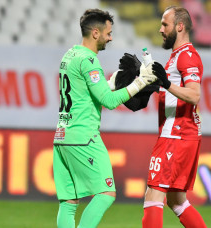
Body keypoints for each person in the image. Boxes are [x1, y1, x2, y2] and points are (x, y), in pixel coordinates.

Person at [52, 9, 156, 228]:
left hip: (62, 137)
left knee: (69, 202)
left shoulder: (70, 55)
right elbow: (109, 102)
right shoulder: (89, 60)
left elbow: (83, 94)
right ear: (96, 33)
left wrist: (108, 83)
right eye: (108, 33)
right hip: (83, 137)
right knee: (106, 192)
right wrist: (141, 82)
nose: (111, 38)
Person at [142, 6, 207, 228]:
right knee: (177, 201)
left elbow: (194, 94)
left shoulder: (187, 56)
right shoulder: (178, 56)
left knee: (153, 196)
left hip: (176, 136)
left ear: (179, 26)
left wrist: (166, 84)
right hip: (182, 135)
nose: (161, 29)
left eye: (165, 24)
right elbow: (173, 95)